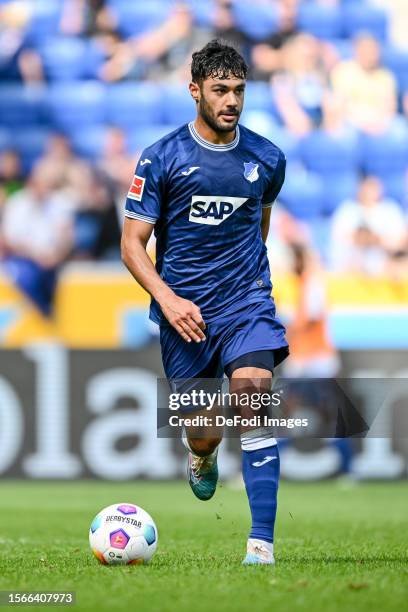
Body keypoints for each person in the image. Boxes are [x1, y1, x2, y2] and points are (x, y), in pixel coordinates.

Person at [121, 40, 288, 565]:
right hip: (185, 316)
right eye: (220, 90)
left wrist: (250, 289)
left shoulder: (266, 158)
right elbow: (132, 245)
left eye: (239, 90)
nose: (231, 100)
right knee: (204, 430)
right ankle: (201, 457)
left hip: (246, 305)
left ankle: (260, 545)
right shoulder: (161, 157)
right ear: (194, 90)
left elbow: (257, 233)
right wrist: (168, 300)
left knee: (253, 401)